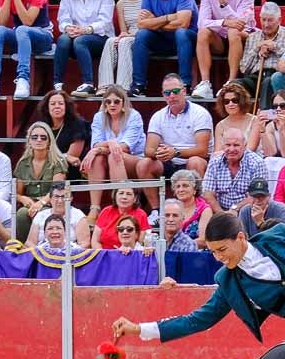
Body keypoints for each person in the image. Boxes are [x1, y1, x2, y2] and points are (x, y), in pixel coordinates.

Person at [112, 211, 285, 343]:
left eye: (222, 250)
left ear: (240, 238)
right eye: (213, 251)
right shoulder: (229, 281)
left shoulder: (278, 237)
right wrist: (139, 329)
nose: (218, 258)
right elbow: (197, 320)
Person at [136, 75, 213, 209]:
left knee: (195, 161)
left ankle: (194, 208)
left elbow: (203, 150)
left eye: (175, 91)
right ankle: (156, 211)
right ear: (163, 95)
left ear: (184, 91)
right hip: (169, 161)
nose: (171, 95)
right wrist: (160, 153)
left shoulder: (200, 113)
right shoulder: (158, 116)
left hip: (193, 160)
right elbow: (148, 150)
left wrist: (175, 152)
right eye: (167, 93)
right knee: (144, 164)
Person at [130, 0, 198, 96]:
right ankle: (139, 85)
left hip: (187, 41)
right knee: (141, 35)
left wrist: (154, 21)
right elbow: (141, 24)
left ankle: (185, 84)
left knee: (181, 33)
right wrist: (168, 18)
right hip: (162, 39)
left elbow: (183, 23)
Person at [192, 0, 254, 100]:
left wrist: (223, 3)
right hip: (219, 38)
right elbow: (202, 22)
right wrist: (225, 22)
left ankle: (231, 82)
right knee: (203, 33)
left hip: (243, 37)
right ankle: (205, 83)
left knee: (234, 32)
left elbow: (240, 24)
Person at [53, 0, 114, 96]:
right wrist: (68, 28)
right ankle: (57, 85)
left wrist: (86, 30)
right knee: (63, 39)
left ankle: (88, 84)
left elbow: (105, 22)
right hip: (76, 39)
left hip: (100, 39)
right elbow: (62, 18)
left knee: (81, 40)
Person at [14, 122, 69, 241]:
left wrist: (41, 203)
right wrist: (23, 199)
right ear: (29, 141)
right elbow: (17, 193)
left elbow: (58, 189)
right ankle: (22, 249)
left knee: (43, 214)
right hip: (29, 204)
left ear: (49, 141)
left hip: (51, 203)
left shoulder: (57, 162)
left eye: (43, 137)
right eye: (34, 137)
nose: (39, 140)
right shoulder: (22, 163)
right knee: (21, 214)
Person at [83, 85, 145, 189]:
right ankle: (95, 205)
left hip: (135, 160)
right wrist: (109, 143)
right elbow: (95, 143)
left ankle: (121, 198)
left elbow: (125, 147)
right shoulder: (99, 117)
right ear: (104, 104)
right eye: (108, 102)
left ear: (123, 102)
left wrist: (97, 150)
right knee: (97, 159)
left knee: (114, 155)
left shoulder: (134, 116)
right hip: (110, 159)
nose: (112, 105)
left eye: (116, 101)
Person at [96, 0, 145, 92]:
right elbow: (124, 31)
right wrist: (122, 36)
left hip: (142, 36)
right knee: (111, 41)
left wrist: (128, 36)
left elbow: (149, 26)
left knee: (124, 42)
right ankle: (104, 86)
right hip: (128, 36)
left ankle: (123, 87)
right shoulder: (121, 3)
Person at [204, 127, 268, 211]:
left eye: (236, 145)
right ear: (223, 146)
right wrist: (222, 215)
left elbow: (256, 196)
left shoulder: (257, 163)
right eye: (228, 145)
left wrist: (234, 210)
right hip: (220, 211)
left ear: (245, 146)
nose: (231, 149)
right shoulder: (214, 162)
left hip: (248, 210)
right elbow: (208, 194)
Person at [42, 89, 89, 181]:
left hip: (68, 170)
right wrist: (66, 156)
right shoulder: (43, 126)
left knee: (58, 169)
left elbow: (73, 158)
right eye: (53, 104)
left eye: (60, 103)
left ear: (66, 106)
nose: (57, 106)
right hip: (45, 166)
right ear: (47, 108)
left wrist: (66, 157)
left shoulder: (78, 124)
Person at [24, 181, 89, 247]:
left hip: (70, 254)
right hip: (43, 254)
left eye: (63, 197)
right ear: (50, 198)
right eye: (56, 196)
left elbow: (85, 244)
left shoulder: (78, 216)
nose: (60, 201)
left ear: (71, 199)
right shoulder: (40, 215)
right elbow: (30, 242)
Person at [213, 83, 260, 155]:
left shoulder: (255, 121)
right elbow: (217, 153)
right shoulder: (220, 126)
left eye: (235, 100)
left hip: (249, 160)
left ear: (242, 101)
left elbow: (250, 149)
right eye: (226, 102)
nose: (230, 104)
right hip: (227, 160)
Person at [168, 169, 210, 244]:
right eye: (177, 186)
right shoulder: (170, 208)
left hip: (195, 252)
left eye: (185, 186)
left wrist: (182, 246)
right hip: (172, 251)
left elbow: (203, 240)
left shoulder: (205, 210)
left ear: (195, 190)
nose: (181, 190)